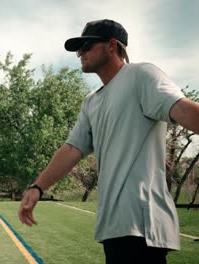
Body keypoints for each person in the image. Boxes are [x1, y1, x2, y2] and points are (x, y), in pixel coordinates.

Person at [18, 19, 199, 264]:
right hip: (112, 227)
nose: (80, 52)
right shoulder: (91, 101)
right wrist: (37, 187)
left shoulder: (140, 75)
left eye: (87, 45)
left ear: (112, 45)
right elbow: (72, 149)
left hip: (141, 224)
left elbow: (186, 112)